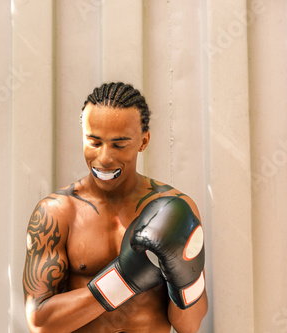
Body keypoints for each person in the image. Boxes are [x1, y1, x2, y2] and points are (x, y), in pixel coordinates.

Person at [23, 82, 208, 333]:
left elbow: (189, 326)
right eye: (94, 142)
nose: (105, 158)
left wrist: (185, 279)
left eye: (119, 144)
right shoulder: (57, 213)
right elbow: (40, 323)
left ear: (143, 141)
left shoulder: (173, 210)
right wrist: (124, 279)